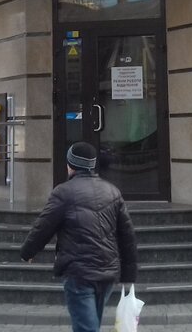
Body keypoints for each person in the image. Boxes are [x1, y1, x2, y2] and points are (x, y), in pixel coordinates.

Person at [20, 142, 137, 332]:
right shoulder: (112, 191)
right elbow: (127, 235)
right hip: (107, 272)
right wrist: (129, 273)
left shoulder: (63, 193)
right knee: (91, 325)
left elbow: (43, 226)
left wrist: (28, 252)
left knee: (87, 328)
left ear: (70, 165)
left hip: (79, 273)